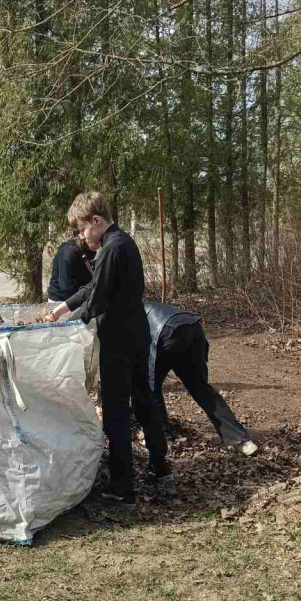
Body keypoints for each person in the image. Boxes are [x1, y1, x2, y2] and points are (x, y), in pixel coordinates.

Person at [49, 192, 170, 508]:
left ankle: (122, 487)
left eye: (82, 229)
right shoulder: (124, 242)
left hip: (117, 342)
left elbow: (97, 299)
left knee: (115, 412)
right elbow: (92, 288)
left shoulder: (111, 249)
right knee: (144, 400)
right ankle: (160, 466)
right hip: (138, 335)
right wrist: (63, 307)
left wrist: (68, 324)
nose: (81, 236)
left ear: (96, 220)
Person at [144, 302, 258, 456]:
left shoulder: (124, 315)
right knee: (200, 388)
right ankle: (241, 441)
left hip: (167, 333)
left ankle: (162, 435)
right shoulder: (144, 304)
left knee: (151, 388)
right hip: (193, 327)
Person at [47, 233, 96, 303]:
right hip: (61, 300)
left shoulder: (89, 250)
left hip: (78, 295)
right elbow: (67, 287)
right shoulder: (68, 252)